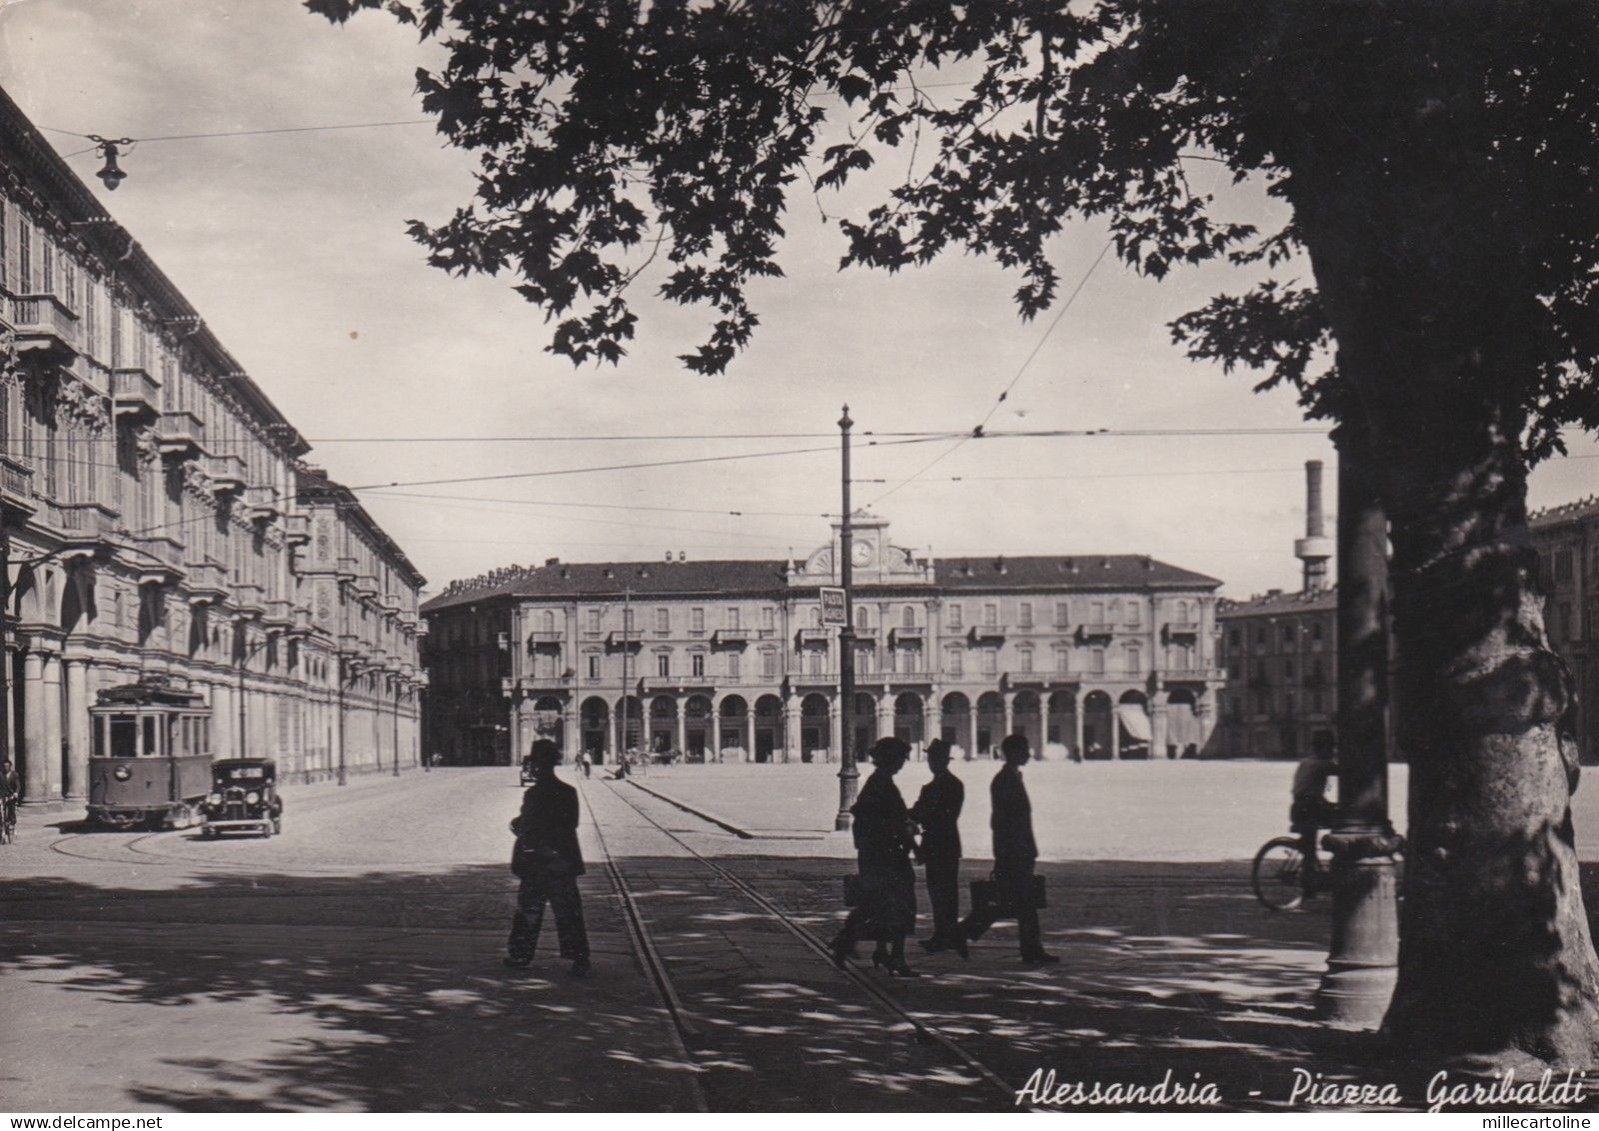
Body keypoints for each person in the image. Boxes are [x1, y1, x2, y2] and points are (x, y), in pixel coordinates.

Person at [960, 733, 1058, 964]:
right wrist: (1003, 853)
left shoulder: (1011, 777)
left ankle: (1031, 949)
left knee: (1022, 903)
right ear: (1013, 753)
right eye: (1024, 750)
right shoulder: (1004, 779)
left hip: (1021, 850)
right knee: (1020, 903)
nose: (1028, 754)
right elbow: (1000, 821)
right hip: (1014, 852)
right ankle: (961, 933)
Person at [830, 737, 920, 976]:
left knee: (878, 903)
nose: (902, 763)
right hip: (887, 857)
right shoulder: (882, 785)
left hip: (876, 855)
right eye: (900, 757)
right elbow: (894, 823)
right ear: (889, 759)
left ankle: (876, 949)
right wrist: (912, 842)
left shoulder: (878, 782)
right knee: (900, 903)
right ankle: (890, 955)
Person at [505, 739, 591, 976]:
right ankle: (580, 957)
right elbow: (571, 823)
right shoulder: (568, 792)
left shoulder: (534, 794)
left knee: (529, 909)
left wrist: (518, 825)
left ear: (537, 765)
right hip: (562, 861)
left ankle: (520, 954)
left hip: (537, 861)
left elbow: (528, 825)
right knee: (569, 911)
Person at [910, 738, 967, 957]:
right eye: (931, 758)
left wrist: (915, 815)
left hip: (943, 843)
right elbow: (919, 810)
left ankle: (946, 935)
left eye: (936, 758)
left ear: (945, 760)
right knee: (938, 891)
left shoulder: (951, 785)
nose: (932, 762)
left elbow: (944, 815)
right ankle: (943, 934)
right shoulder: (933, 786)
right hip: (937, 843)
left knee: (945, 892)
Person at [1291, 734, 1338, 886]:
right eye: (1331, 748)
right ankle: (1315, 877)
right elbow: (1345, 772)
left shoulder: (1305, 762)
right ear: (1324, 749)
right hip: (1311, 808)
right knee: (1343, 823)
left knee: (1309, 846)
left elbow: (1307, 788)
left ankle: (1309, 879)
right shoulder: (1323, 764)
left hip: (1298, 807)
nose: (1333, 752)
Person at [1, 758, 19, 844]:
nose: (6, 768)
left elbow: (18, 785)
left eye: (7, 766)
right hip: (3, 796)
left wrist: (16, 793)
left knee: (11, 809)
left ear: (10, 766)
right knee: (2, 812)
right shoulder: (1, 775)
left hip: (11, 796)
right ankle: (3, 828)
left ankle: (12, 822)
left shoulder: (14, 775)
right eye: (4, 766)